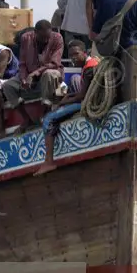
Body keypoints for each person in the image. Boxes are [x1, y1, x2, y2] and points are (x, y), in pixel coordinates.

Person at [34, 41, 99, 176]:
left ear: (84, 53)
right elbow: (83, 92)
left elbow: (82, 97)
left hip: (89, 103)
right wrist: (67, 98)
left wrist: (64, 101)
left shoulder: (89, 68)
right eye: (71, 56)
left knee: (49, 119)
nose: (73, 58)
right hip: (88, 99)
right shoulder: (90, 64)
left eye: (76, 54)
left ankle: (48, 161)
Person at [0, 20, 64, 135]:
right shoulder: (26, 38)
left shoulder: (57, 38)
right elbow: (23, 63)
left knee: (49, 73)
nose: (45, 40)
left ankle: (46, 111)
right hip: (30, 74)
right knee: (7, 86)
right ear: (35, 33)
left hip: (51, 75)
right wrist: (24, 78)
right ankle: (26, 119)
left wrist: (35, 73)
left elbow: (55, 63)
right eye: (42, 37)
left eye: (47, 37)